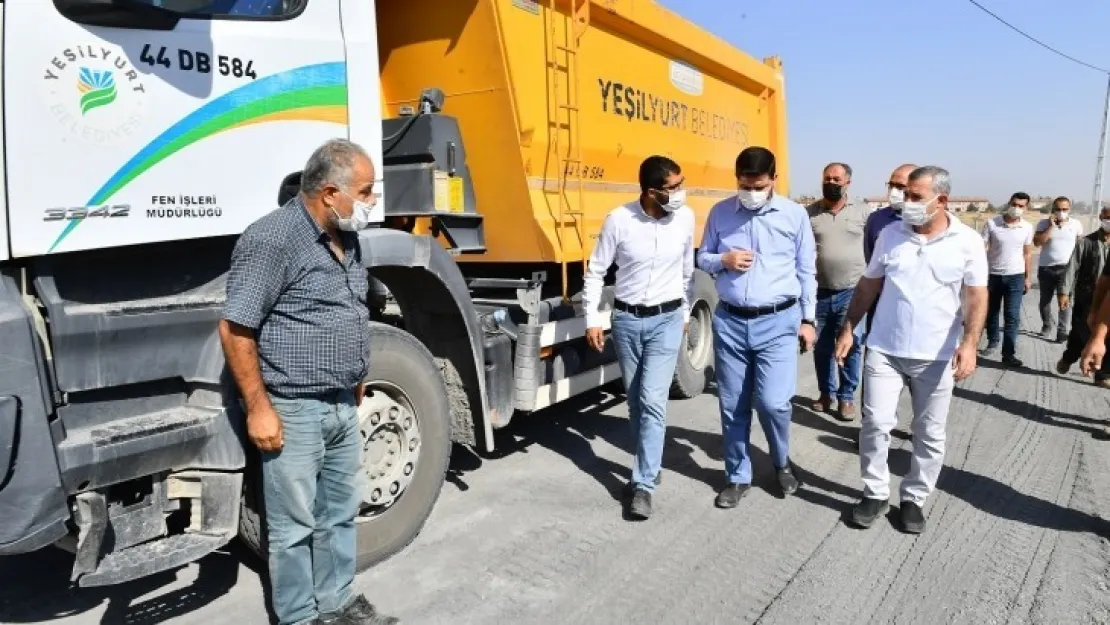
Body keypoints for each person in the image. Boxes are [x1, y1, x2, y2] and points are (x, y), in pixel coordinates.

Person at [219, 139, 399, 625]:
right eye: (365, 192)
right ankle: (300, 617)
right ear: (329, 193)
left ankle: (338, 602)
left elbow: (345, 310)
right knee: (293, 526)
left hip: (342, 403)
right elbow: (236, 329)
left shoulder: (347, 237)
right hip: (293, 409)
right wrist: (258, 407)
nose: (371, 202)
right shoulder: (272, 240)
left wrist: (355, 375)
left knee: (339, 513)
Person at [836, 166, 988, 534]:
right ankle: (874, 493)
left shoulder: (967, 242)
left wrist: (969, 344)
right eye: (906, 195)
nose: (907, 202)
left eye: (916, 197)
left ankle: (914, 499)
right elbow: (868, 286)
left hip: (936, 357)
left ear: (942, 200)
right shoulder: (891, 235)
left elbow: (976, 296)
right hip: (884, 350)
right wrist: (848, 328)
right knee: (875, 425)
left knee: (929, 432)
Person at [697, 146, 817, 509]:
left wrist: (809, 320)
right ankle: (737, 476)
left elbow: (806, 269)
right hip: (731, 320)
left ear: (773, 181)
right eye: (744, 184)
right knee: (732, 404)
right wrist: (723, 259)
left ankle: (781, 462)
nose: (751, 192)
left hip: (779, 321)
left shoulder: (794, 215)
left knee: (774, 403)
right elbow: (702, 257)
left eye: (758, 185)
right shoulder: (720, 213)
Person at [583, 155, 695, 521]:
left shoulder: (686, 219)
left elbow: (686, 271)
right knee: (634, 401)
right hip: (628, 321)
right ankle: (650, 458)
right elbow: (596, 271)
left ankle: (643, 483)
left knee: (651, 400)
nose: (681, 192)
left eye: (681, 184)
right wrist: (593, 319)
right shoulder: (620, 220)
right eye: (673, 187)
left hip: (666, 320)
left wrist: (683, 313)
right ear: (651, 191)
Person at [805, 162, 869, 421]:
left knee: (850, 347)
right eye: (827, 178)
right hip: (819, 292)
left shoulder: (864, 213)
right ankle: (825, 394)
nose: (831, 183)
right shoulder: (809, 213)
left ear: (848, 183)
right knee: (821, 348)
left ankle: (846, 397)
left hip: (853, 291)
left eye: (836, 179)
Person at [1057, 206, 1110, 386]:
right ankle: (1069, 357)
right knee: (1080, 334)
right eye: (1107, 217)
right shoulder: (1086, 242)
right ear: (1101, 217)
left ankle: (1102, 374)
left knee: (1105, 335)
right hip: (1088, 297)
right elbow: (1072, 267)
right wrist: (1064, 292)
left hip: (1108, 299)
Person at [981, 192, 1034, 367]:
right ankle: (993, 340)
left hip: (1015, 277)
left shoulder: (1027, 228)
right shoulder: (992, 224)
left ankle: (1008, 354)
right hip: (993, 275)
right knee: (992, 312)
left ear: (1026, 208)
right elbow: (982, 250)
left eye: (1021, 206)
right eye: (1014, 204)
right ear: (1009, 203)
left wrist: (1028, 277)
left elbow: (1027, 253)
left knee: (1012, 316)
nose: (1016, 208)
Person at [1033, 196, 1084, 342]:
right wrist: (1051, 226)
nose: (1061, 212)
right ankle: (1047, 325)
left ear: (1069, 209)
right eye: (1058, 209)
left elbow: (1080, 246)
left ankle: (1062, 331)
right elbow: (1037, 243)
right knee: (1045, 301)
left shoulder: (1076, 224)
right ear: (1053, 210)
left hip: (1067, 269)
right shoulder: (1043, 223)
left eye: (1064, 209)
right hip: (1046, 268)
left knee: (1065, 301)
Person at [863, 163, 917, 264]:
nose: (893, 191)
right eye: (891, 185)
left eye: (900, 186)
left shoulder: (926, 219)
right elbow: (871, 260)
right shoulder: (876, 219)